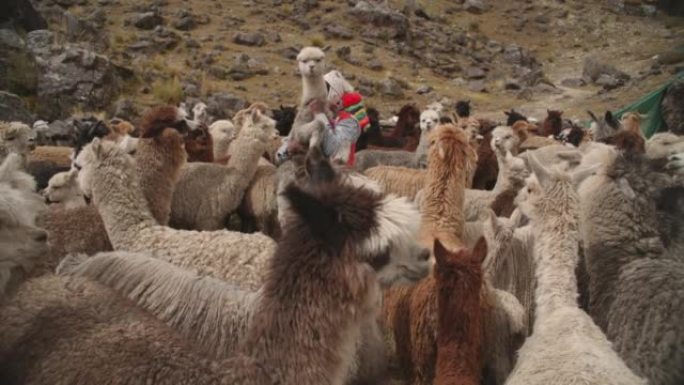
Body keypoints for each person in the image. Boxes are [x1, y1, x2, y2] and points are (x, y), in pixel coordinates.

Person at [276, 70, 369, 166]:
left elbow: (334, 150)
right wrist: (288, 150)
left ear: (335, 94)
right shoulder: (309, 116)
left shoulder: (350, 122)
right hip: (304, 174)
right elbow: (279, 156)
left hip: (335, 176)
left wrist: (319, 114)